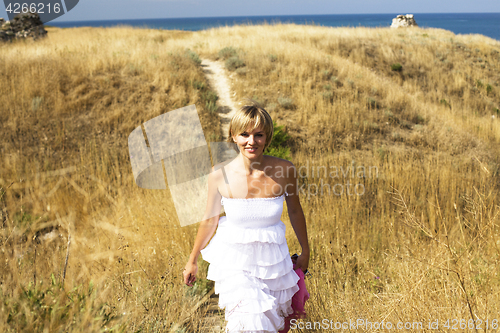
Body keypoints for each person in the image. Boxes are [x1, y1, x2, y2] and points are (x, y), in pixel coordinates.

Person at [183, 101, 309, 332]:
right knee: (249, 321)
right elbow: (210, 219)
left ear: (267, 137)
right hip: (236, 265)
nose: (251, 141)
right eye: (244, 134)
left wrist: (305, 250)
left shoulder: (285, 171)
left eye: (259, 135)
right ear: (233, 136)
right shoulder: (219, 174)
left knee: (272, 324)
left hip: (274, 262)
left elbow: (295, 211)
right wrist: (192, 259)